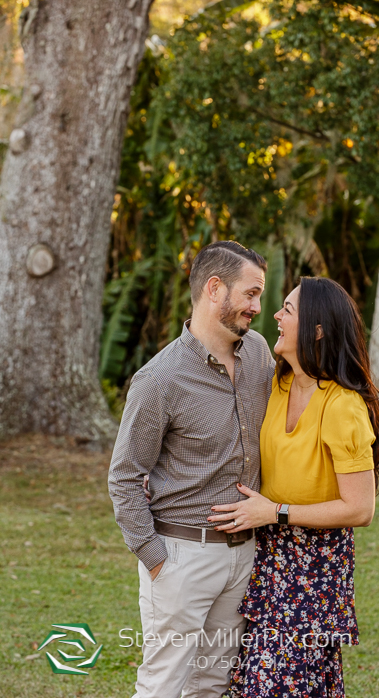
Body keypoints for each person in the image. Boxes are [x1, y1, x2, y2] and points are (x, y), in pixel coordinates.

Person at [108, 240, 276, 698]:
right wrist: (156, 559)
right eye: (251, 294)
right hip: (182, 555)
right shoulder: (160, 379)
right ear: (214, 288)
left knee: (214, 683)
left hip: (244, 554)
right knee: (164, 684)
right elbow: (124, 476)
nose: (257, 307)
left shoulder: (260, 353)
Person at [209, 276, 379, 698]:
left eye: (287, 309)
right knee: (272, 681)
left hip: (316, 566)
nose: (275, 314)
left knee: (274, 683)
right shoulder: (277, 384)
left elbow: (360, 509)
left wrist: (276, 512)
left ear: (317, 328)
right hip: (270, 555)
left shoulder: (343, 405)